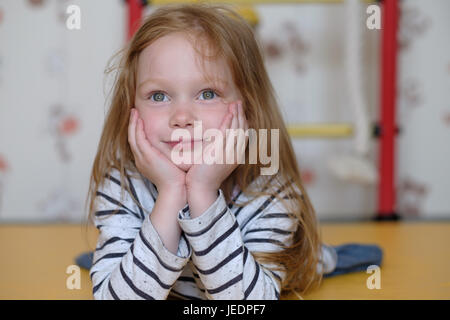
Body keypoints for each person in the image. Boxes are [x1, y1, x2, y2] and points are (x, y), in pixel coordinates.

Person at [85, 2, 337, 300]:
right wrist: (171, 193)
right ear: (131, 109)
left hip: (271, 273)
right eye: (158, 95)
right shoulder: (122, 185)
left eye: (207, 94)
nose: (181, 117)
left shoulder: (270, 191)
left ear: (250, 108)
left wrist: (202, 192)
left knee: (315, 263)